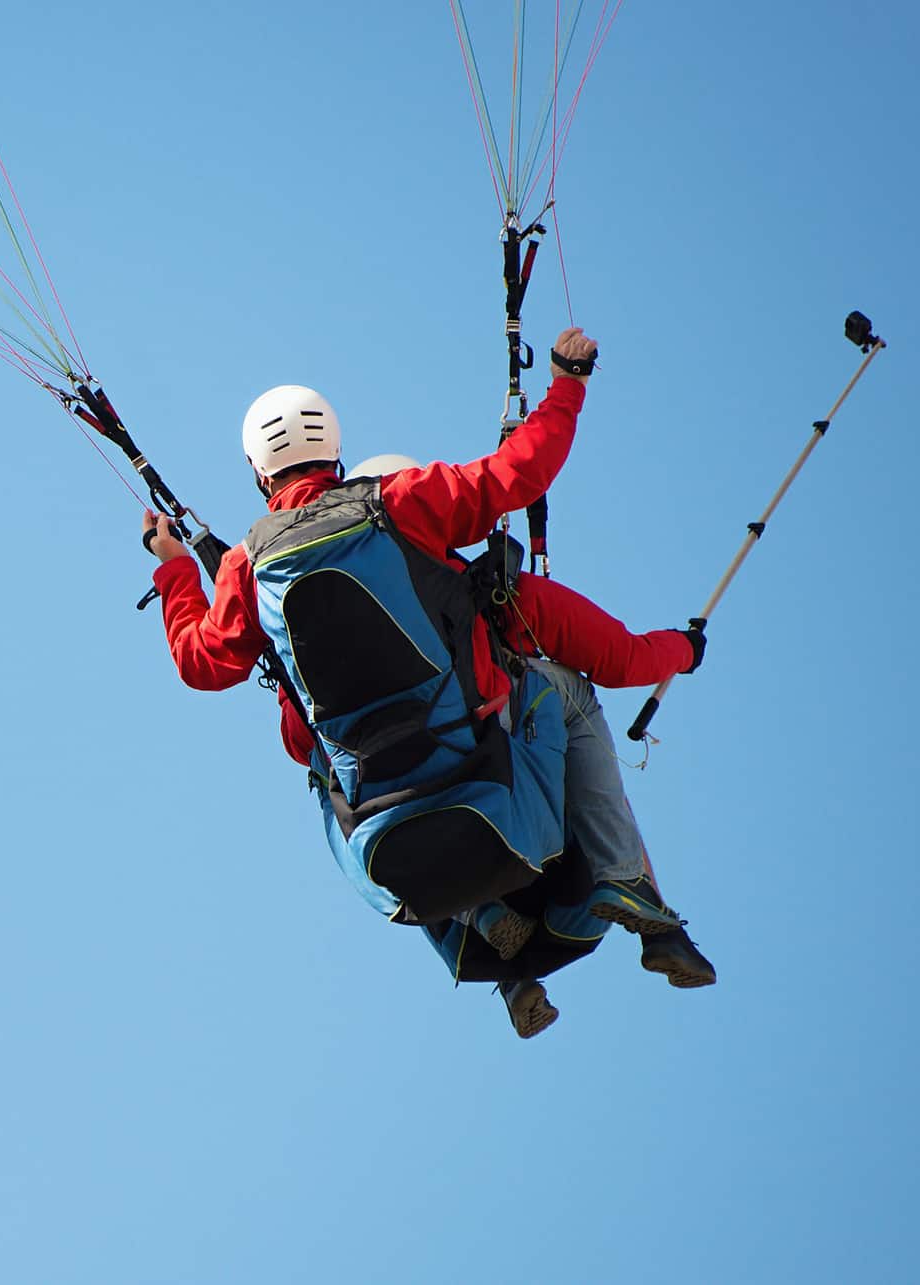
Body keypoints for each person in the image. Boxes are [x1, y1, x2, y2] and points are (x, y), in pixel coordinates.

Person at [142, 327, 660, 1036]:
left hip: (385, 839)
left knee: (317, 764)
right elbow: (521, 473)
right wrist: (568, 382)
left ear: (261, 475)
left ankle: (489, 945)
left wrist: (175, 568)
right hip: (480, 763)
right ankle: (624, 875)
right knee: (550, 681)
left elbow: (201, 664)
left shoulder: (244, 565)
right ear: (337, 451)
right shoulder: (403, 502)